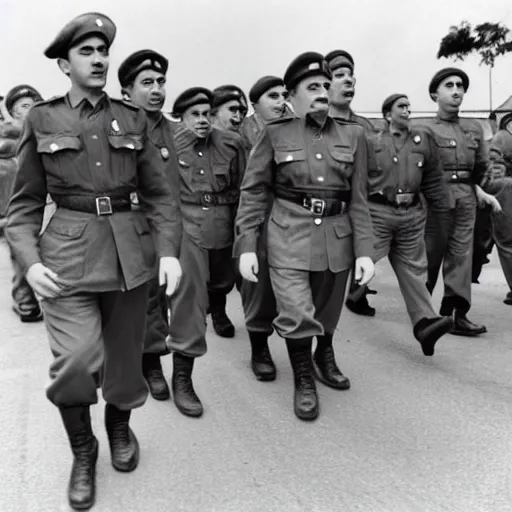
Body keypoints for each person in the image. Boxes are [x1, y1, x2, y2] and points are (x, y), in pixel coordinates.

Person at [5, 13, 182, 510]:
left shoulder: (132, 119)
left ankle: (119, 430)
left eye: (103, 50)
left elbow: (160, 196)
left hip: (129, 258)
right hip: (66, 259)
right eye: (87, 52)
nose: (100, 59)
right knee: (77, 363)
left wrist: (168, 253)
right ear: (64, 64)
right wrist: (29, 261)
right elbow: (21, 207)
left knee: (126, 366)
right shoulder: (42, 118)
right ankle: (83, 451)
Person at [236, 52, 375, 421]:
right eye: (312, 87)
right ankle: (303, 379)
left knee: (327, 311)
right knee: (297, 310)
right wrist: (248, 246)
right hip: (287, 235)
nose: (322, 93)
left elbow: (359, 199)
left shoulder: (355, 135)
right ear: (292, 95)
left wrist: (365, 252)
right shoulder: (274, 133)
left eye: (326, 86)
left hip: (337, 237)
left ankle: (323, 353)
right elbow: (253, 193)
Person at [167, 87, 245, 416]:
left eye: (206, 114)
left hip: (223, 223)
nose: (202, 121)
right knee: (189, 302)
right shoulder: (168, 146)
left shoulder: (232, 143)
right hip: (186, 226)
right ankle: (182, 377)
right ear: (180, 118)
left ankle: (219, 308)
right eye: (194, 115)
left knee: (223, 281)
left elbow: (244, 188)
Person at [366, 93, 453, 354]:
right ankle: (350, 297)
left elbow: (433, 177)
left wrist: (442, 208)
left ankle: (425, 325)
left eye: (408, 106)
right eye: (401, 107)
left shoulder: (422, 139)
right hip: (378, 212)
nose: (407, 110)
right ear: (387, 115)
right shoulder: (371, 142)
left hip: (411, 214)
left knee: (414, 269)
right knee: (359, 261)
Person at [118, 49, 180, 401]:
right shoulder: (118, 128)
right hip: (128, 223)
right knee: (141, 296)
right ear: (127, 91)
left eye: (161, 82)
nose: (157, 89)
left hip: (168, 225)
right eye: (147, 83)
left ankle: (152, 355)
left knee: (164, 293)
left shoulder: (177, 132)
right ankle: (149, 362)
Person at [422, 68, 496, 336]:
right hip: (434, 197)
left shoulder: (474, 127)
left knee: (461, 256)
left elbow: (482, 166)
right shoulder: (422, 128)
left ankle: (455, 314)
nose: (456, 91)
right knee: (429, 254)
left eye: (460, 86)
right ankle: (421, 313)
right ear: (434, 94)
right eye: (449, 86)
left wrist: (478, 190)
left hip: (465, 196)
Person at [237, 75, 288, 381]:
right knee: (258, 285)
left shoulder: (295, 129)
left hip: (289, 214)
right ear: (255, 103)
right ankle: (259, 347)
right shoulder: (239, 132)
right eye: (273, 96)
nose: (281, 101)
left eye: (284, 95)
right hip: (253, 213)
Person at [324, 49, 379, 316]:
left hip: (360, 204)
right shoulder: (311, 124)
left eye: (351, 75)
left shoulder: (365, 127)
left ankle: (357, 294)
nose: (349, 81)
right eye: (339, 75)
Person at [3, 85, 44, 322]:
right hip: (21, 208)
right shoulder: (10, 139)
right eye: (24, 106)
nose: (32, 110)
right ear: (12, 112)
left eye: (35, 104)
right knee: (22, 252)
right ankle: (27, 303)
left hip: (51, 206)